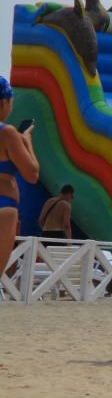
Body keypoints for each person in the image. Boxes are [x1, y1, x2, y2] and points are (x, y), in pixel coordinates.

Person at [0, 76, 39, 275]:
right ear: (4, 102)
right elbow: (32, 174)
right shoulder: (7, 133)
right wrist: (26, 141)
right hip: (3, 204)